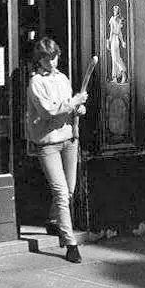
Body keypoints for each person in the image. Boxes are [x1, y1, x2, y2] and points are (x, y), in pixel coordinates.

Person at [26, 38, 88, 264]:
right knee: (61, 192)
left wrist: (78, 108)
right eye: (45, 58)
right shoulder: (36, 83)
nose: (51, 61)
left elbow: (69, 107)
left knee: (69, 191)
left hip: (69, 140)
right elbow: (48, 112)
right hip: (49, 143)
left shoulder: (63, 78)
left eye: (53, 56)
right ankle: (70, 243)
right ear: (39, 59)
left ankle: (54, 221)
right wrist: (74, 102)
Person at [107, 5, 127, 83]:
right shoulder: (119, 19)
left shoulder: (113, 19)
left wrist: (109, 41)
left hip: (114, 40)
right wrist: (122, 42)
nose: (114, 11)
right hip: (117, 40)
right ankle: (115, 77)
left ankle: (123, 74)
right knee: (115, 58)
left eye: (115, 10)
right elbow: (120, 33)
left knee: (115, 59)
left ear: (116, 11)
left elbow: (112, 31)